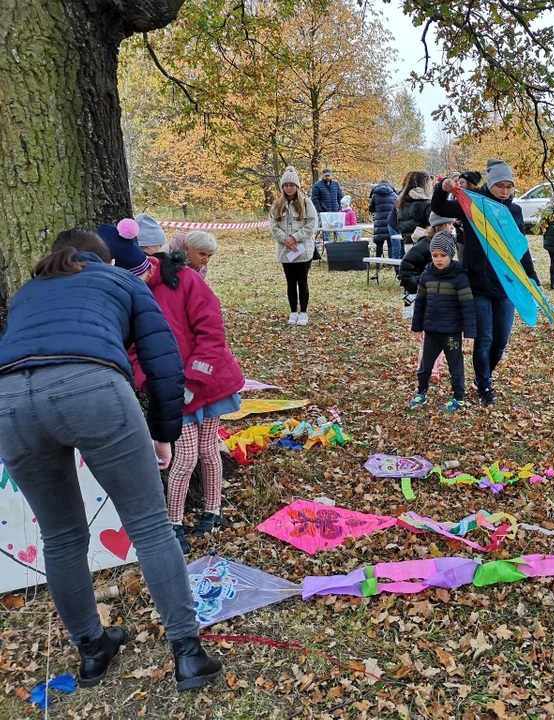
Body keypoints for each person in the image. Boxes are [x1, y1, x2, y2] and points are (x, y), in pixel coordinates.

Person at [0, 229, 223, 691]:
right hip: (92, 388)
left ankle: (92, 650)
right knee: (149, 524)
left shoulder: (27, 291)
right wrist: (165, 434)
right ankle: (188, 654)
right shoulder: (122, 282)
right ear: (107, 259)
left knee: (59, 537)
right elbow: (163, 363)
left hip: (8, 401)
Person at [102, 222, 244, 554]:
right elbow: (133, 349)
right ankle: (174, 523)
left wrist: (193, 380)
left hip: (209, 383)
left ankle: (212, 511)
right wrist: (151, 383)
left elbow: (212, 332)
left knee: (208, 452)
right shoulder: (128, 299)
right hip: (173, 391)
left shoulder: (185, 280)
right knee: (185, 459)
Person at [432, 158, 540, 407]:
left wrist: (532, 278)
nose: (505, 191)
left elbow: (520, 249)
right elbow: (439, 207)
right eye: (500, 185)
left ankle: (484, 377)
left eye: (509, 186)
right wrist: (442, 187)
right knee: (485, 339)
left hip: (506, 285)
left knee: (500, 342)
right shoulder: (472, 205)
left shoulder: (514, 211)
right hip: (478, 284)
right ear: (490, 184)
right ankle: (484, 387)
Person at [409, 231, 477, 412]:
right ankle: (421, 393)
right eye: (434, 255)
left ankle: (459, 398)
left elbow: (467, 306)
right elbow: (420, 303)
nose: (438, 259)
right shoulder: (426, 275)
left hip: (451, 333)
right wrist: (417, 327)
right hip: (431, 331)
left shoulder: (460, 277)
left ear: (451, 254)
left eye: (443, 255)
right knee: (425, 366)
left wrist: (470, 333)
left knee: (456, 366)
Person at [269, 166, 319, 326]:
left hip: (302, 249)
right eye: (286, 185)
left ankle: (303, 312)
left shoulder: (306, 203)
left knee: (302, 281)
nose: (289, 188)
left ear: (297, 186)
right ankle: (293, 312)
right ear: (282, 187)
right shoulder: (277, 205)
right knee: (290, 282)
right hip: (285, 250)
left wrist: (296, 238)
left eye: (292, 185)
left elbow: (312, 224)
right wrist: (286, 240)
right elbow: (273, 226)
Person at [393, 171, 433, 248]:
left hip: (407, 243)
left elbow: (399, 223)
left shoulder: (402, 202)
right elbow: (431, 225)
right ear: (426, 184)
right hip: (423, 243)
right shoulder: (426, 203)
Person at [368, 178, 398, 258]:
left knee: (379, 244)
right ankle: (391, 263)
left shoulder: (375, 194)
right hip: (390, 222)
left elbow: (371, 209)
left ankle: (378, 261)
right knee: (390, 244)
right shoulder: (394, 194)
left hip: (379, 223)